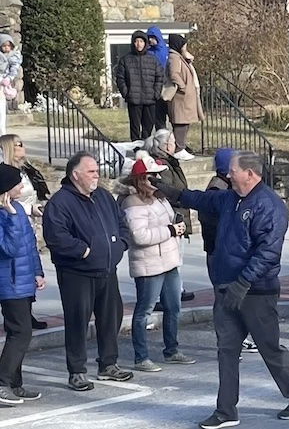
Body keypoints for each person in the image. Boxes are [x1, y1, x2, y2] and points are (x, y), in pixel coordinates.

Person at [150, 150, 289, 428]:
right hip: (227, 287)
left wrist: (244, 282)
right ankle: (226, 410)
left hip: (256, 291)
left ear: (250, 174)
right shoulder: (229, 198)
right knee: (226, 349)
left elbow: (267, 253)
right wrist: (168, 190)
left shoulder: (269, 205)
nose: (228, 175)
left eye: (233, 171)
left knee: (269, 347)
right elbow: (200, 199)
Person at [42, 152, 133, 391]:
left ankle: (108, 364)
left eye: (97, 170)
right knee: (77, 322)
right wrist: (83, 251)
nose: (97, 175)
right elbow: (56, 237)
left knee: (111, 317)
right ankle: (77, 371)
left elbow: (121, 223)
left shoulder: (103, 196)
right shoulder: (61, 202)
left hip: (107, 270)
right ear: (75, 175)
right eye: (91, 171)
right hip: (77, 273)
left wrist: (121, 245)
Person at [117, 151, 196, 371]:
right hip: (149, 265)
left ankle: (172, 350)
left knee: (174, 307)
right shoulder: (132, 203)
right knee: (145, 310)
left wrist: (177, 224)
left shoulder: (160, 198)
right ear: (141, 179)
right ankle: (141, 357)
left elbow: (169, 221)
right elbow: (139, 236)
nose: (157, 181)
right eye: (153, 177)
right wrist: (170, 230)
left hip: (169, 261)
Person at [198, 147, 258, 353]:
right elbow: (215, 224)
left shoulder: (228, 188)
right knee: (224, 298)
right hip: (219, 253)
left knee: (235, 298)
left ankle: (237, 338)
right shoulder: (218, 190)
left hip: (227, 252)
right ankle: (227, 342)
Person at [0, 163, 45, 405]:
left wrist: (37, 272)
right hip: (9, 282)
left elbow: (30, 246)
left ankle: (15, 384)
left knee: (20, 331)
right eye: (17, 183)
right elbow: (10, 248)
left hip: (24, 280)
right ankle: (2, 382)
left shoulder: (17, 207)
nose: (22, 186)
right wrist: (12, 217)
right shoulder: (6, 213)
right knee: (21, 332)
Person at [0, 134, 50, 330]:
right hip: (12, 219)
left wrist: (31, 209)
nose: (23, 147)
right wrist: (17, 213)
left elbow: (32, 193)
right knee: (15, 269)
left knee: (28, 261)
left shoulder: (26, 170)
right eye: (18, 144)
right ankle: (20, 318)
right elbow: (9, 249)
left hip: (24, 218)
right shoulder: (6, 174)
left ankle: (26, 313)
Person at [145, 130, 195, 302]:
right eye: (173, 142)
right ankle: (166, 293)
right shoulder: (162, 164)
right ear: (165, 146)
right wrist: (183, 198)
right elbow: (168, 189)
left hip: (178, 212)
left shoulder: (171, 162)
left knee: (176, 255)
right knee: (171, 255)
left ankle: (177, 289)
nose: (177, 145)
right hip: (172, 214)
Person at [115, 30, 164, 141]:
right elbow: (120, 78)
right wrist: (126, 93)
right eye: (136, 41)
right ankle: (136, 149)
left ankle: (146, 147)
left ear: (145, 43)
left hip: (150, 99)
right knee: (135, 127)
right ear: (133, 43)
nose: (139, 44)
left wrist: (156, 93)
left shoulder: (153, 60)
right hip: (134, 99)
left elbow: (159, 76)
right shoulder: (126, 60)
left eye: (141, 41)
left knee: (148, 127)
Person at [167, 34, 203, 160]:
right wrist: (183, 87)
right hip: (180, 98)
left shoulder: (179, 57)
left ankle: (181, 147)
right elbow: (174, 74)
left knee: (185, 123)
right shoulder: (174, 57)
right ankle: (178, 148)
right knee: (180, 123)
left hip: (185, 98)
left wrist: (188, 60)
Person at [147, 26, 170, 131]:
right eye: (149, 38)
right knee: (158, 117)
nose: (150, 40)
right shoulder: (148, 52)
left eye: (153, 37)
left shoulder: (167, 51)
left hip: (167, 87)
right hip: (154, 88)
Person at [0, 34, 21, 136]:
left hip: (3, 82)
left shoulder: (13, 56)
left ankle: (2, 134)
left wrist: (8, 78)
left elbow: (14, 69)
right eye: (4, 46)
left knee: (1, 110)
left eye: (8, 46)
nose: (6, 48)